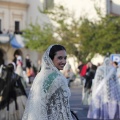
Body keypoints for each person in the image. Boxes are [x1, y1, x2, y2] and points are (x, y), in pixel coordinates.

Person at [22, 45, 74, 120]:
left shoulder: (41, 75)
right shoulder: (58, 78)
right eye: (60, 58)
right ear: (50, 59)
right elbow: (63, 109)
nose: (63, 61)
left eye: (65, 58)